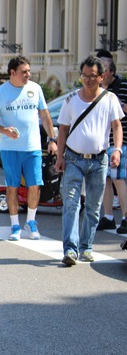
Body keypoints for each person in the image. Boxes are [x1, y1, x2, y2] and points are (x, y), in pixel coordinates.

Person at [55, 56, 124, 266]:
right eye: (84, 75)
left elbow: (116, 126)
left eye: (92, 76)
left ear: (102, 76)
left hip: (99, 160)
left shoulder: (110, 99)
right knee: (72, 204)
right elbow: (63, 129)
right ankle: (70, 249)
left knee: (94, 207)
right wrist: (59, 156)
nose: (87, 80)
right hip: (73, 158)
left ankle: (86, 247)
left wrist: (117, 150)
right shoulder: (71, 100)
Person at [0, 55, 57, 241]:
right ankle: (15, 225)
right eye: (24, 72)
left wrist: (52, 139)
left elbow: (45, 115)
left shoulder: (35, 88)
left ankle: (31, 222)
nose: (28, 75)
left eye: (29, 71)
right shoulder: (0, 93)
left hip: (32, 147)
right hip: (9, 148)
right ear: (12, 73)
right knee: (12, 187)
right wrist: (3, 130)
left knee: (35, 185)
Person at [96, 57, 127, 234]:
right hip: (102, 141)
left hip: (121, 141)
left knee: (118, 177)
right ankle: (108, 217)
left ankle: (125, 217)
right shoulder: (99, 90)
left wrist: (116, 104)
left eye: (104, 69)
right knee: (105, 179)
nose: (102, 73)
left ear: (112, 71)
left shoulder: (122, 86)